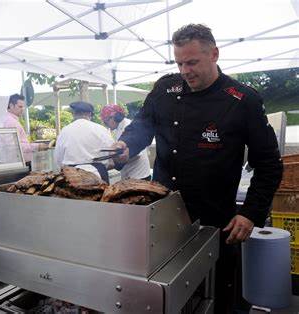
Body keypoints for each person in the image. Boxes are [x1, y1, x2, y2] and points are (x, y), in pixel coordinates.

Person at [113, 24, 283, 313]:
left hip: (215, 220)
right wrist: (126, 145)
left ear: (214, 54)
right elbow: (143, 126)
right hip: (164, 216)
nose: (185, 70)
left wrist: (251, 213)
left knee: (215, 295)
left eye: (192, 62)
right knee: (167, 295)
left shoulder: (242, 100)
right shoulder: (165, 89)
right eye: (179, 63)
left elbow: (269, 164)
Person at [54, 101, 114, 182]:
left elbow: (58, 158)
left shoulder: (65, 130)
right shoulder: (101, 129)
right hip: (98, 174)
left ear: (74, 114)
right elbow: (111, 153)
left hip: (71, 176)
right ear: (89, 114)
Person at [100, 104, 151, 180]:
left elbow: (137, 153)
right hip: (130, 175)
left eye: (106, 121)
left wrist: (114, 164)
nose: (106, 125)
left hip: (139, 176)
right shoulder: (118, 128)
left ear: (114, 117)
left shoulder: (128, 126)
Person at [3, 93, 47, 163]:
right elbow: (13, 146)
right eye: (20, 107)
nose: (22, 109)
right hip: (16, 164)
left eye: (23, 107)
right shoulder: (11, 122)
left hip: (15, 163)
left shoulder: (8, 119)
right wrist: (37, 146)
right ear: (11, 106)